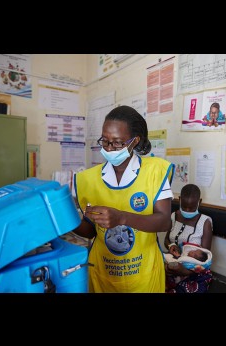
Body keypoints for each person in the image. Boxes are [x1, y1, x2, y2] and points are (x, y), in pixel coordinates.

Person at [73, 105, 175, 293]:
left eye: (118, 142)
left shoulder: (155, 171)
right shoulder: (87, 179)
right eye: (105, 141)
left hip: (143, 273)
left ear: (134, 141)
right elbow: (91, 231)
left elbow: (163, 222)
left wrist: (122, 218)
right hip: (104, 272)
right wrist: (63, 219)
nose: (109, 148)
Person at [164, 184, 213, 293]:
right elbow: (166, 240)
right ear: (180, 200)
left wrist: (184, 271)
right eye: (184, 206)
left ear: (199, 202)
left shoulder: (205, 223)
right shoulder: (173, 216)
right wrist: (171, 245)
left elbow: (204, 259)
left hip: (194, 272)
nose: (187, 210)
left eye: (191, 208)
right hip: (172, 266)